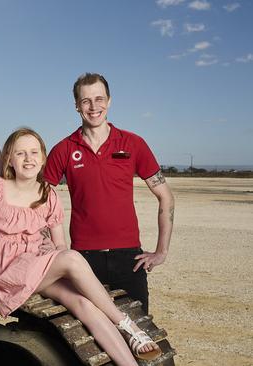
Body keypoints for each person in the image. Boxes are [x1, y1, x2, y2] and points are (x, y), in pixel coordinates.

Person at [0, 127, 162, 363]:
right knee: (72, 258)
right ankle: (125, 324)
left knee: (83, 304)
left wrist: (51, 252)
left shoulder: (48, 194)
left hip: (37, 267)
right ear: (9, 159)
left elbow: (59, 244)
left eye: (34, 152)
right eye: (21, 153)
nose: (28, 159)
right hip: (6, 270)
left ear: (43, 157)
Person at [43, 73, 174, 314]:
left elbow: (165, 196)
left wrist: (161, 251)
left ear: (109, 101)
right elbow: (40, 199)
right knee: (88, 339)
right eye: (86, 101)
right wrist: (49, 245)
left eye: (99, 99)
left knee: (138, 331)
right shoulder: (63, 149)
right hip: (83, 259)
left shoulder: (133, 143)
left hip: (129, 259)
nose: (94, 107)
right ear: (76, 105)